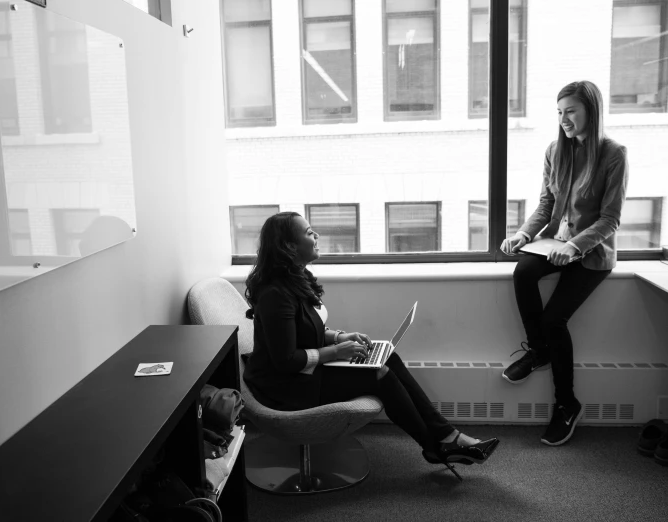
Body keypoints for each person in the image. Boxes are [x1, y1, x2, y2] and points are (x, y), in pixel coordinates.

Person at [243, 211, 499, 480]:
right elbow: (285, 360)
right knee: (380, 376)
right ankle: (437, 445)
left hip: (303, 371)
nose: (316, 236)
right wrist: (335, 352)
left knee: (389, 358)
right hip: (284, 385)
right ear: (289, 246)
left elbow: (307, 330)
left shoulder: (297, 277)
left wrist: (340, 337)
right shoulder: (275, 294)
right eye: (308, 232)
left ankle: (447, 436)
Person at [500, 80, 629, 446]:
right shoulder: (555, 151)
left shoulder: (614, 153)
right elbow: (545, 204)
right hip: (554, 245)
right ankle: (537, 350)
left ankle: (567, 404)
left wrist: (574, 247)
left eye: (571, 111)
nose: (565, 119)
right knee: (523, 270)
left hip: (591, 255)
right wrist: (524, 235)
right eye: (560, 112)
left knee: (555, 319)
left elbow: (611, 219)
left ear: (591, 110)